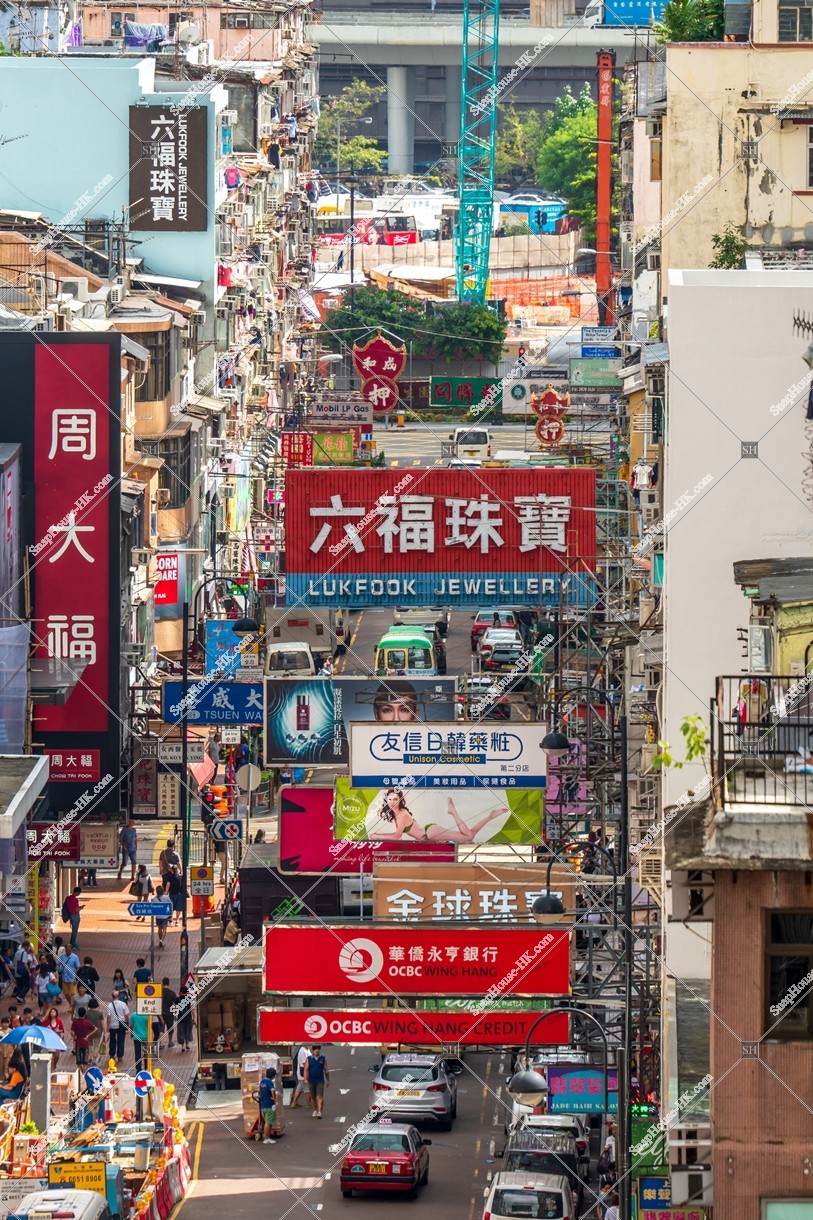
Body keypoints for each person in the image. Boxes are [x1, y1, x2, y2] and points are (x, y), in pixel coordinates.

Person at [373, 791, 509, 843]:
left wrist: (377, 835)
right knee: (469, 835)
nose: (392, 802)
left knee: (468, 837)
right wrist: (379, 834)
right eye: (390, 799)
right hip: (430, 833)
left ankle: (453, 812)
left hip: (429, 833)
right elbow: (398, 835)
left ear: (400, 800)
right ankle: (490, 817)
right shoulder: (397, 815)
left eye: (395, 799)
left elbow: (397, 836)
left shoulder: (402, 814)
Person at [304, 1044, 329, 1118]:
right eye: (315, 1049)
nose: (317, 1050)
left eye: (318, 1049)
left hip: (320, 1080)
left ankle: (320, 1112)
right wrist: (305, 1078)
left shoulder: (323, 1058)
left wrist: (328, 1080)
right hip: (311, 1080)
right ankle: (316, 1109)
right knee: (313, 1097)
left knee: (319, 1096)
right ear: (313, 1050)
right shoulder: (309, 1059)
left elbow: (326, 1070)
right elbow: (306, 1069)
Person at [106, 990, 130, 1064]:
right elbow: (127, 1015)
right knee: (121, 1040)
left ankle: (112, 1055)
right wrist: (127, 1024)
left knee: (112, 1041)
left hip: (113, 1026)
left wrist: (108, 1026)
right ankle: (120, 1056)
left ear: (112, 996)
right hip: (121, 1025)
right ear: (118, 996)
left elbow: (109, 1017)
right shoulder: (123, 1004)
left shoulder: (110, 1005)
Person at [259, 1066, 281, 1144]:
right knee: (269, 1122)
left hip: (263, 1104)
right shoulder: (269, 1082)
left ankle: (267, 1137)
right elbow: (272, 1091)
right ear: (273, 1076)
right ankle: (266, 1138)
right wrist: (275, 1100)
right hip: (269, 1104)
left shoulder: (262, 1082)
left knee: (268, 1121)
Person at [290, 1043, 311, 1109]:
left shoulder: (306, 1050)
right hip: (303, 1074)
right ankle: (309, 1103)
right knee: (306, 1089)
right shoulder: (303, 1051)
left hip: (301, 1073)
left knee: (299, 1088)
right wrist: (306, 1076)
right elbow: (305, 1065)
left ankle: (294, 1102)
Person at [85, 999, 104, 1063]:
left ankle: (90, 1056)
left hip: (89, 1031)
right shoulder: (99, 1013)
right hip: (98, 1031)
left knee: (90, 1044)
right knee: (96, 1045)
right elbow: (102, 1023)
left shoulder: (87, 1013)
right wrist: (104, 1031)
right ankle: (94, 1059)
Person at [175, 985, 194, 1051]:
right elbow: (192, 1008)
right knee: (188, 1030)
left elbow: (174, 1007)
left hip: (180, 1017)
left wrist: (175, 1015)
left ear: (180, 991)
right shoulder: (189, 998)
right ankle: (187, 1044)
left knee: (181, 1031)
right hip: (188, 1017)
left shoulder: (177, 999)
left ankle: (182, 1046)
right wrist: (194, 1017)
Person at [161, 978, 178, 1049]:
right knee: (170, 1028)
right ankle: (170, 1042)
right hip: (170, 1013)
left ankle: (161, 1043)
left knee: (161, 1029)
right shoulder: (172, 993)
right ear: (169, 983)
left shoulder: (159, 992)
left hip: (160, 1013)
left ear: (162, 983)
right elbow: (175, 1004)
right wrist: (175, 1014)